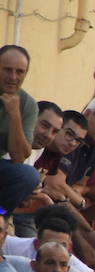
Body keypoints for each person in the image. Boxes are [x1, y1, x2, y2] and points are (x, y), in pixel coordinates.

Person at [0, 45, 42, 213]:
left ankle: (1, 215)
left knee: (29, 176)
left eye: (19, 72)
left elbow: (19, 157)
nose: (13, 77)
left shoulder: (27, 104)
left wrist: (15, 115)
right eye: (7, 70)